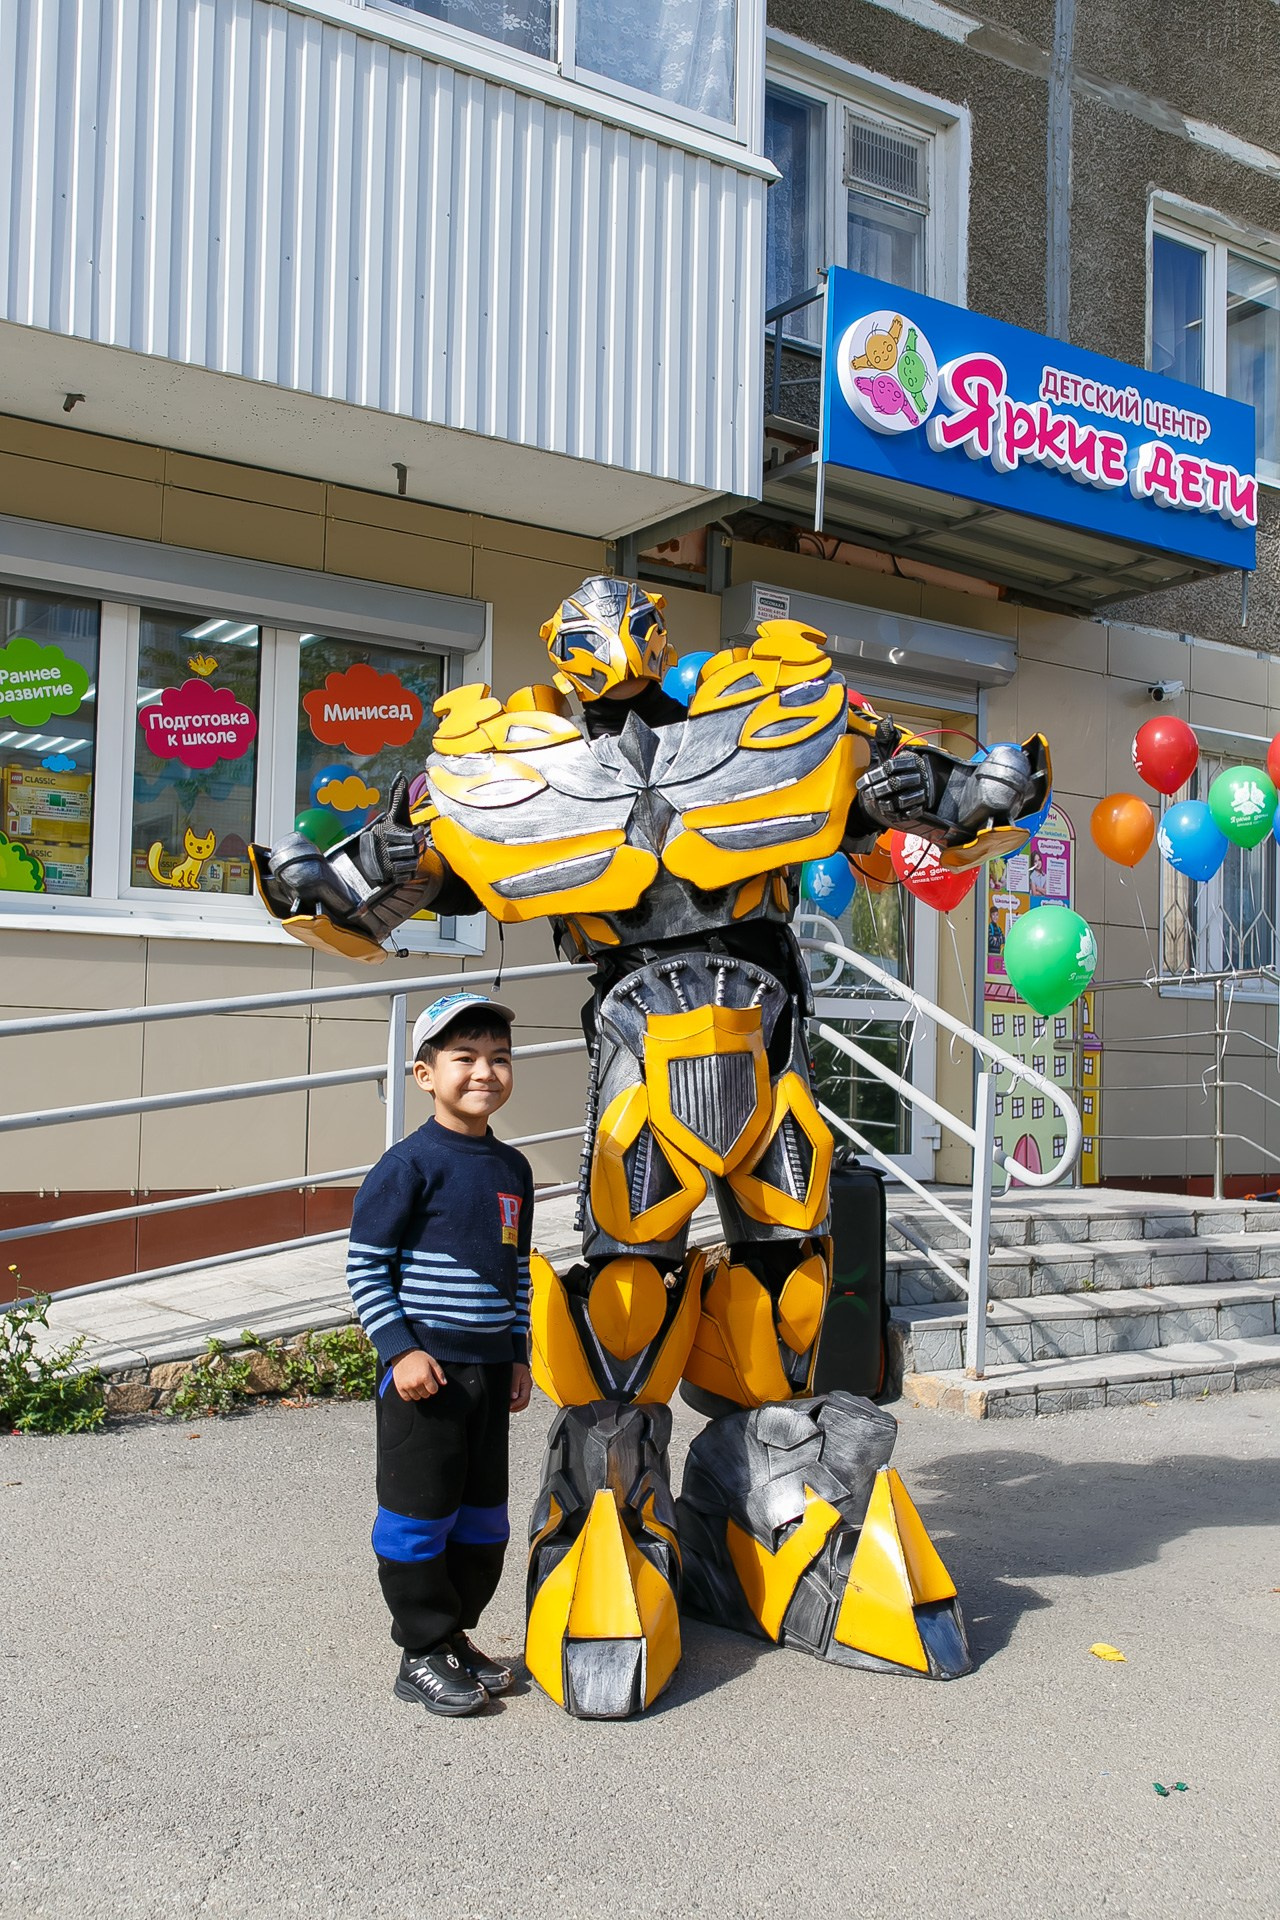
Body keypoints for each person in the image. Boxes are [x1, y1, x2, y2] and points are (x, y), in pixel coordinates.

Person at [345, 990, 535, 1717]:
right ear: (425, 1075)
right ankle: (420, 1649)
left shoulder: (511, 1170)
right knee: (418, 1517)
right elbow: (366, 1268)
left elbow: (516, 1271)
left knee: (482, 1518)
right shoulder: (408, 1165)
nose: (484, 1071)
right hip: (424, 1375)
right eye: (465, 1058)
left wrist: (516, 1354)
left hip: (488, 1373)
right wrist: (399, 1352)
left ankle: (455, 1633)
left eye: (499, 1058)